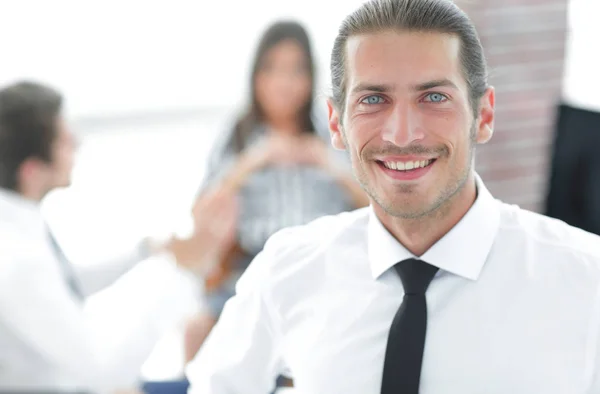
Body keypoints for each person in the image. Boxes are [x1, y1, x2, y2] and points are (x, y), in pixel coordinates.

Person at [185, 0, 600, 393]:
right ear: (336, 123)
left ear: (484, 116)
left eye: (434, 97)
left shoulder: (586, 280)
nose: (402, 135)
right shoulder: (288, 270)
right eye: (373, 100)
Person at [0, 81, 237, 393]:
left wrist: (146, 251)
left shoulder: (19, 222)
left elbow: (69, 281)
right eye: (63, 140)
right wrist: (184, 272)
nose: (77, 143)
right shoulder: (20, 260)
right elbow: (103, 371)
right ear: (32, 170)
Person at [183, 20, 368, 361]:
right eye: (273, 70)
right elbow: (200, 215)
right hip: (251, 269)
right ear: (257, 76)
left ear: (310, 77)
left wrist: (328, 165)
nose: (284, 83)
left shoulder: (332, 132)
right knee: (197, 329)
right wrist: (252, 161)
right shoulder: (238, 135)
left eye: (295, 70)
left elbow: (375, 206)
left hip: (322, 266)